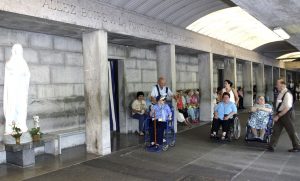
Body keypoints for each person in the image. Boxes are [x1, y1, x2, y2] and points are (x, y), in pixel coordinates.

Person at [3, 44, 30, 135]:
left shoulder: (23, 62)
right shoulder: (9, 63)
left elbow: (27, 74)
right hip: (12, 89)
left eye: (20, 50)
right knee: (12, 107)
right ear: (14, 51)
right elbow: (10, 74)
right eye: (18, 50)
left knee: (22, 106)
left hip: (21, 88)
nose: (19, 52)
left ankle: (21, 125)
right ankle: (11, 127)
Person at [267, 79, 300, 152]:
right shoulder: (281, 93)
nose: (276, 86)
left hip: (287, 114)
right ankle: (271, 146)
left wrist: (278, 116)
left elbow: (287, 107)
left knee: (291, 130)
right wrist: (277, 114)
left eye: (277, 84)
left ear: (282, 84)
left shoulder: (287, 94)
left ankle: (297, 146)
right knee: (276, 130)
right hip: (281, 113)